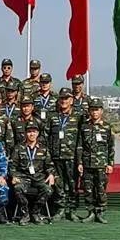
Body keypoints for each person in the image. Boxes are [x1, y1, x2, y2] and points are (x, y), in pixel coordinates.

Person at [9, 122, 55, 225]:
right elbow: (12, 165)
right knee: (18, 188)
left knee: (48, 190)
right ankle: (25, 214)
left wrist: (51, 174)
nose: (32, 134)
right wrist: (14, 176)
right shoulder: (18, 148)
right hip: (23, 176)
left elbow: (49, 165)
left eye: (34, 132)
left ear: (38, 133)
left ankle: (35, 212)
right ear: (25, 133)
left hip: (38, 177)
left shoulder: (43, 149)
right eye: (29, 132)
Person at [46, 87, 81, 221]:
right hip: (56, 156)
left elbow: (81, 139)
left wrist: (80, 160)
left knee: (72, 185)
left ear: (71, 100)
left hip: (72, 157)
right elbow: (46, 135)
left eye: (66, 98)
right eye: (61, 98)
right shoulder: (53, 116)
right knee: (58, 185)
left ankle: (71, 210)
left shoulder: (78, 117)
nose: (64, 101)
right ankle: (60, 209)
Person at [78, 99, 115, 223]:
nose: (94, 112)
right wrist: (79, 163)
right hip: (87, 163)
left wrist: (110, 163)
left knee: (101, 190)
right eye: (92, 109)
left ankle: (100, 213)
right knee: (88, 190)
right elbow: (80, 146)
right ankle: (90, 213)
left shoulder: (107, 127)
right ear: (89, 111)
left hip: (101, 164)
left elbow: (111, 146)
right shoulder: (84, 127)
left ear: (101, 111)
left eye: (97, 110)